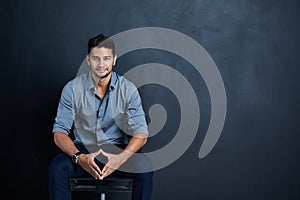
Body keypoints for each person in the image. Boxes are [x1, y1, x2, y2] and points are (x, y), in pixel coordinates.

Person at [48, 33, 153, 200]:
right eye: (96, 58)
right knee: (57, 167)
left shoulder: (128, 89)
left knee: (144, 166)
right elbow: (59, 133)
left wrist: (121, 158)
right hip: (83, 149)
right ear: (88, 60)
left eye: (106, 58)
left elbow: (141, 133)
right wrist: (78, 157)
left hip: (117, 149)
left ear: (114, 60)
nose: (101, 64)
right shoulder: (72, 88)